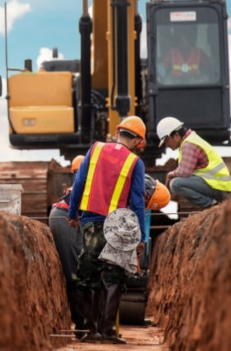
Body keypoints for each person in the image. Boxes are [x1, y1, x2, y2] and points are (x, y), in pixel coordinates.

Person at [66, 116, 148, 344]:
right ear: (138, 141)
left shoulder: (96, 149)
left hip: (91, 221)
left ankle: (88, 330)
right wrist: (140, 235)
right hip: (119, 225)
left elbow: (79, 183)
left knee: (88, 273)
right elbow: (138, 201)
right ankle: (108, 331)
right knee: (114, 276)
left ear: (118, 132)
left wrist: (73, 213)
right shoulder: (135, 163)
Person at [157, 117, 231, 209]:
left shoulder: (188, 144)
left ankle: (212, 205)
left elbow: (184, 173)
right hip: (218, 185)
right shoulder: (190, 140)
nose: (167, 145)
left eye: (166, 140)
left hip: (218, 186)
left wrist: (170, 174)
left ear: (176, 135)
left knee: (175, 183)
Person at [49, 155, 84, 336]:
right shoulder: (83, 185)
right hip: (64, 218)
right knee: (74, 271)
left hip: (66, 217)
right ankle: (81, 325)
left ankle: (83, 323)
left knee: (77, 268)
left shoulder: (85, 183)